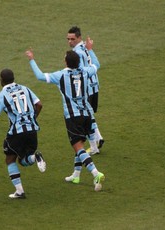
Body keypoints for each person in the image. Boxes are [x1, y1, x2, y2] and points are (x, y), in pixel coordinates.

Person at [25, 37, 105, 191]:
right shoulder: (86, 71)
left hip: (73, 116)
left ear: (66, 62)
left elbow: (40, 76)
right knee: (81, 142)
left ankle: (95, 172)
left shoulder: (61, 75)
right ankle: (76, 175)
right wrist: (90, 49)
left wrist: (31, 60)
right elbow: (96, 65)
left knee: (78, 147)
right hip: (87, 114)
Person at [0, 68, 46, 199]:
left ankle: (20, 191)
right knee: (23, 160)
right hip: (32, 130)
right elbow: (39, 104)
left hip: (17, 132)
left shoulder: (1, 95)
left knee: (10, 159)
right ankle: (36, 157)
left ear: (1, 80)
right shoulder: (25, 88)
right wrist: (32, 119)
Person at [67, 26, 104, 155]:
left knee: (84, 118)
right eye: (68, 39)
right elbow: (95, 64)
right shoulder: (86, 47)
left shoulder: (76, 53)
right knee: (89, 114)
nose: (70, 41)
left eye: (72, 39)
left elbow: (80, 72)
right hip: (94, 86)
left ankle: (94, 146)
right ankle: (98, 138)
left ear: (79, 38)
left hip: (85, 89)